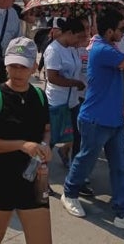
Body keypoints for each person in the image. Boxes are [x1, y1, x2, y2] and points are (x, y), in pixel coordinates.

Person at [60, 9, 124, 234]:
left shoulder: (110, 47)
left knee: (119, 168)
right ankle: (70, 193)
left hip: (114, 120)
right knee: (86, 160)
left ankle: (123, 212)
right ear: (110, 31)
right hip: (95, 119)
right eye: (122, 29)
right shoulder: (102, 49)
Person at [0, 37, 53, 244]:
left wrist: (45, 146)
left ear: (34, 67)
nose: (17, 72)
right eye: (13, 66)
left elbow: (46, 130)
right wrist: (22, 145)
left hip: (32, 179)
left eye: (23, 67)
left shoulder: (40, 96)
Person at [43, 18, 86, 166]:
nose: (79, 41)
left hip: (73, 102)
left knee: (78, 136)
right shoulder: (53, 50)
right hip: (57, 102)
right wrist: (75, 83)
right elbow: (53, 78)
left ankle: (76, 169)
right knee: (51, 139)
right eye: (78, 37)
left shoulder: (73, 49)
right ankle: (37, 170)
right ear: (69, 33)